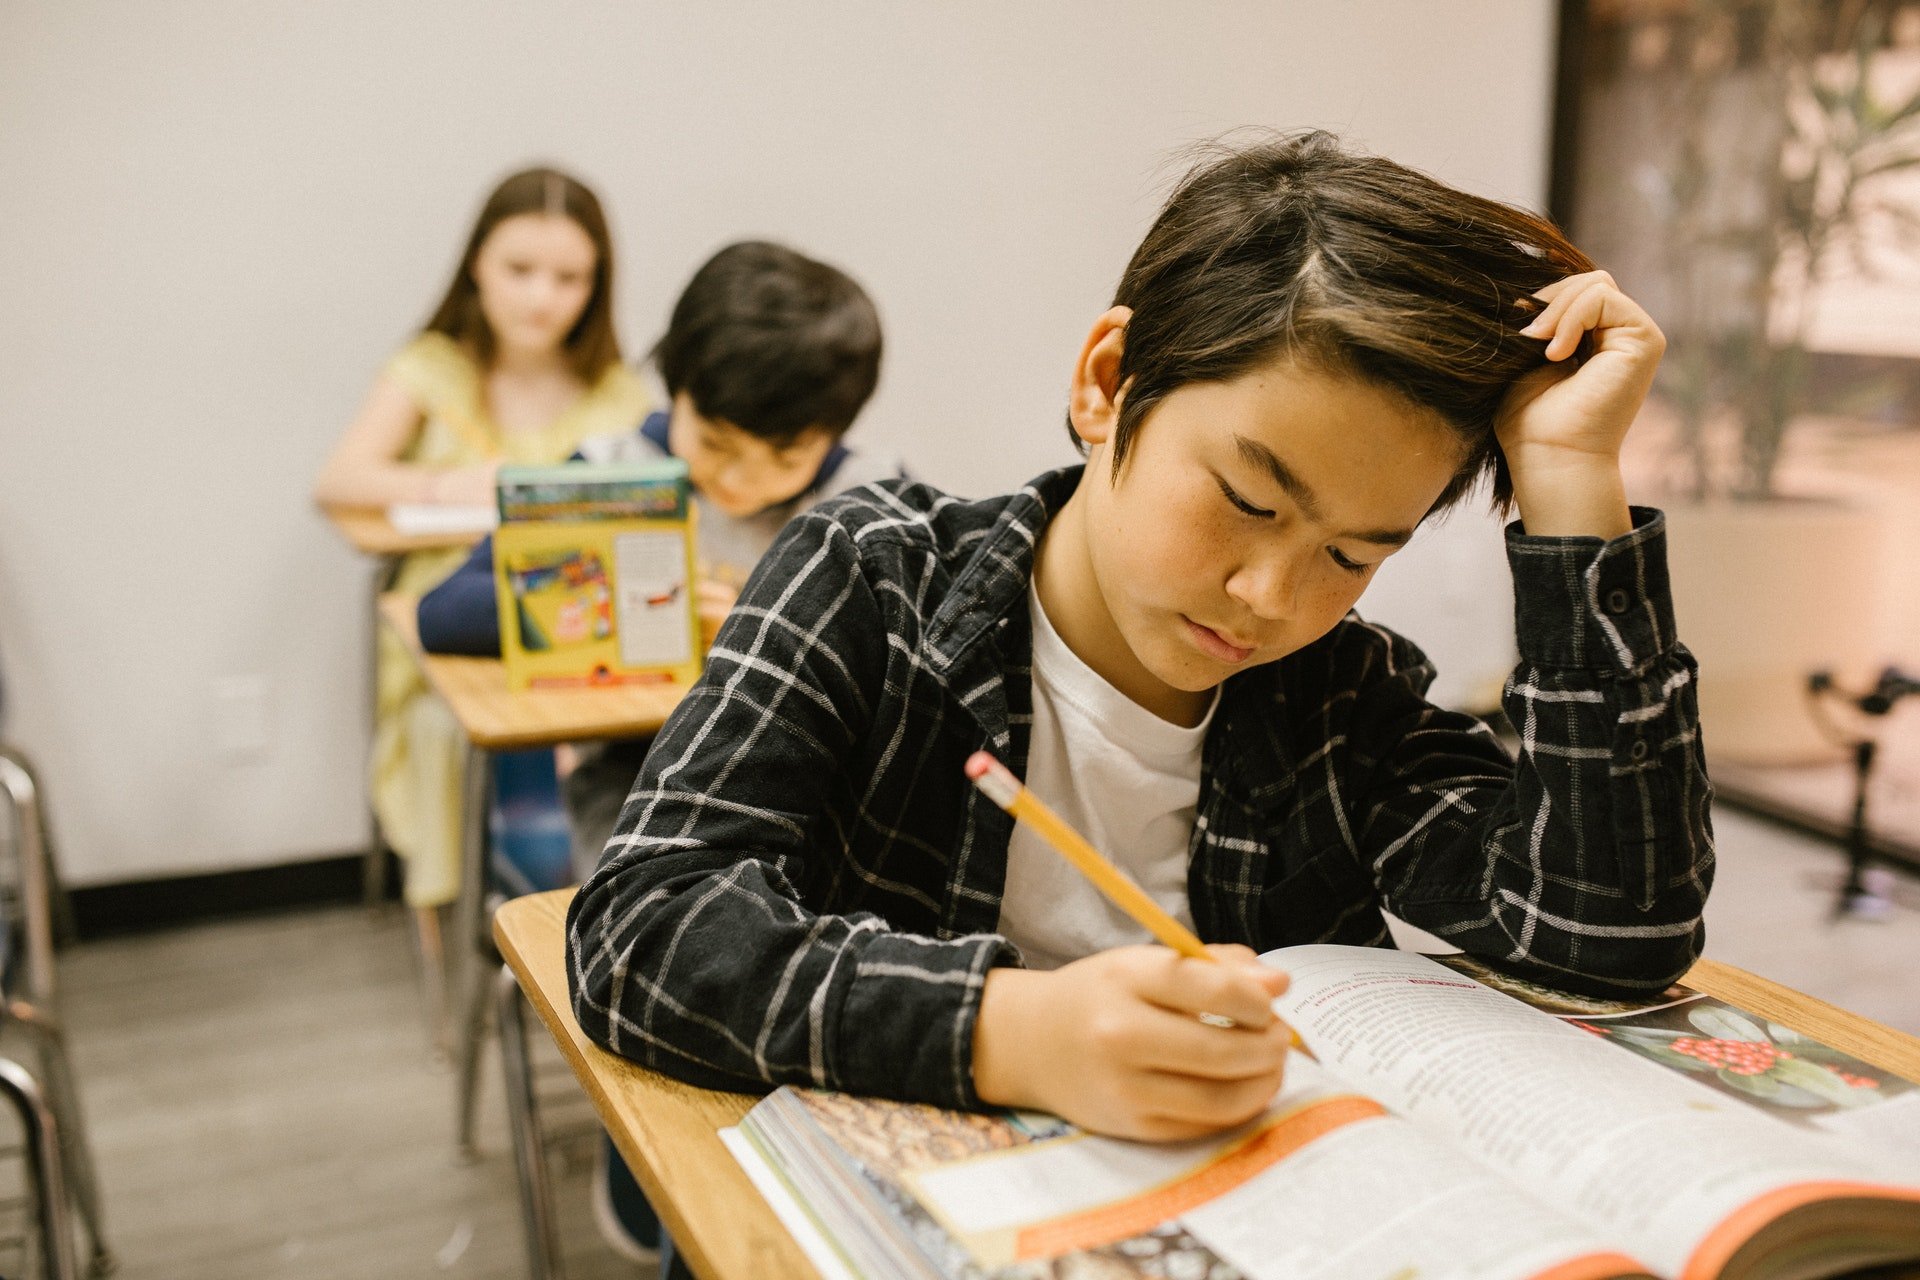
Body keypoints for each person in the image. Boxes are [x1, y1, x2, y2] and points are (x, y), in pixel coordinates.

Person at [568, 131, 1715, 1147]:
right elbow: (644, 928)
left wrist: (1571, 478)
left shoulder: (1334, 694)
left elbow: (1606, 929)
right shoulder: (875, 581)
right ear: (1108, 383)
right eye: (1249, 500)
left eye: (1354, 555)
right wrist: (1010, 1029)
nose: (1271, 593)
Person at [416, 238, 894, 871]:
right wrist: (645, 607)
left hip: (818, 780)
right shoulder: (612, 478)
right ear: (676, 387)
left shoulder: (864, 499)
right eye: (716, 442)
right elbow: (444, 612)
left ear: (835, 434)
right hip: (637, 774)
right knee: (659, 913)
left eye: (784, 459)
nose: (739, 482)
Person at [313, 168, 647, 909]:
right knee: (443, 733)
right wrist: (443, 488)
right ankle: (460, 957)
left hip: (580, 635)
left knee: (605, 743)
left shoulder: (618, 392)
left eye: (568, 277)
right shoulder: (432, 370)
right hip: (452, 629)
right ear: (477, 265)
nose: (540, 297)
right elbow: (339, 481)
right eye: (519, 270)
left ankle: (579, 931)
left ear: (597, 283)